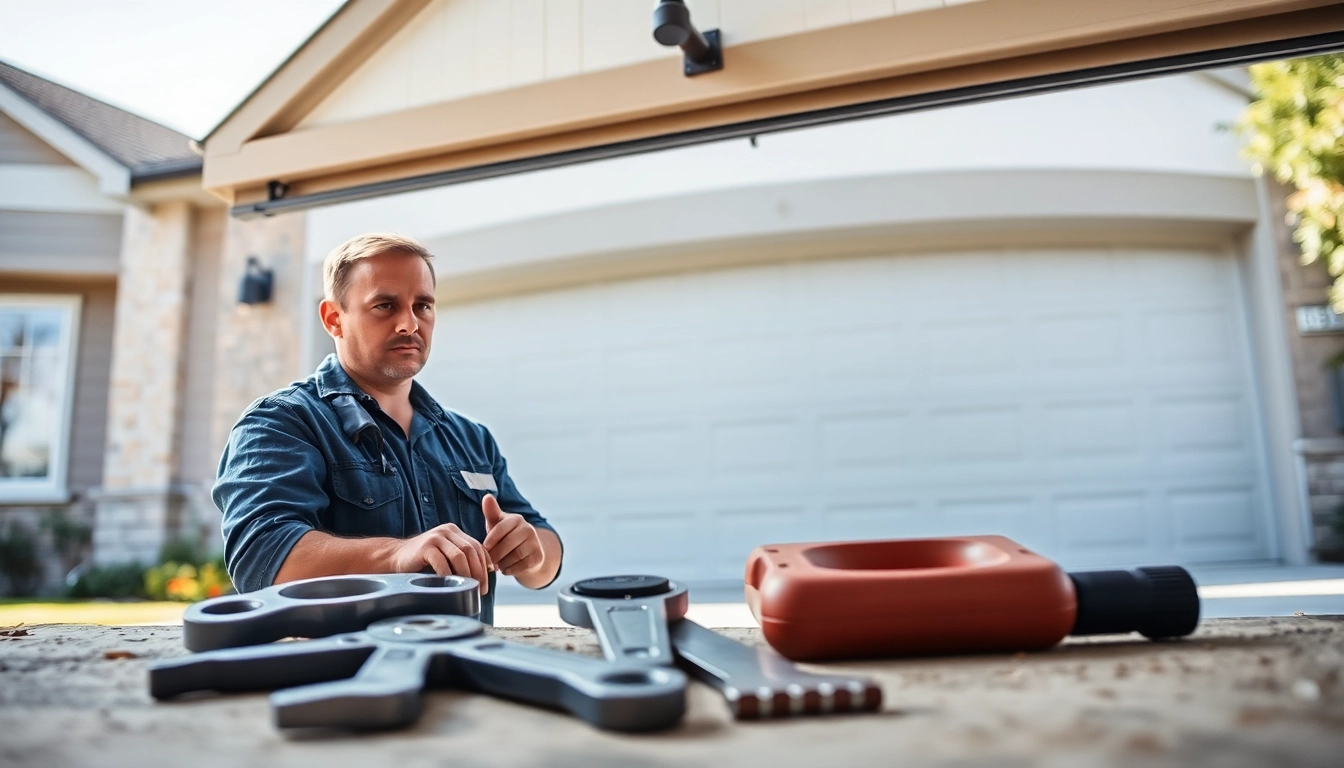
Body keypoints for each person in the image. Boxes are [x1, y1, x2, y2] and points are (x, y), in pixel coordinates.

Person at [213, 233, 562, 624]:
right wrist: (397, 556)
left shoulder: (471, 438)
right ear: (333, 318)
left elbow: (545, 556)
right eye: (385, 305)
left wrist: (532, 554)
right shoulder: (282, 422)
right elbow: (262, 558)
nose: (409, 323)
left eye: (423, 306)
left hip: (468, 673)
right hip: (345, 676)